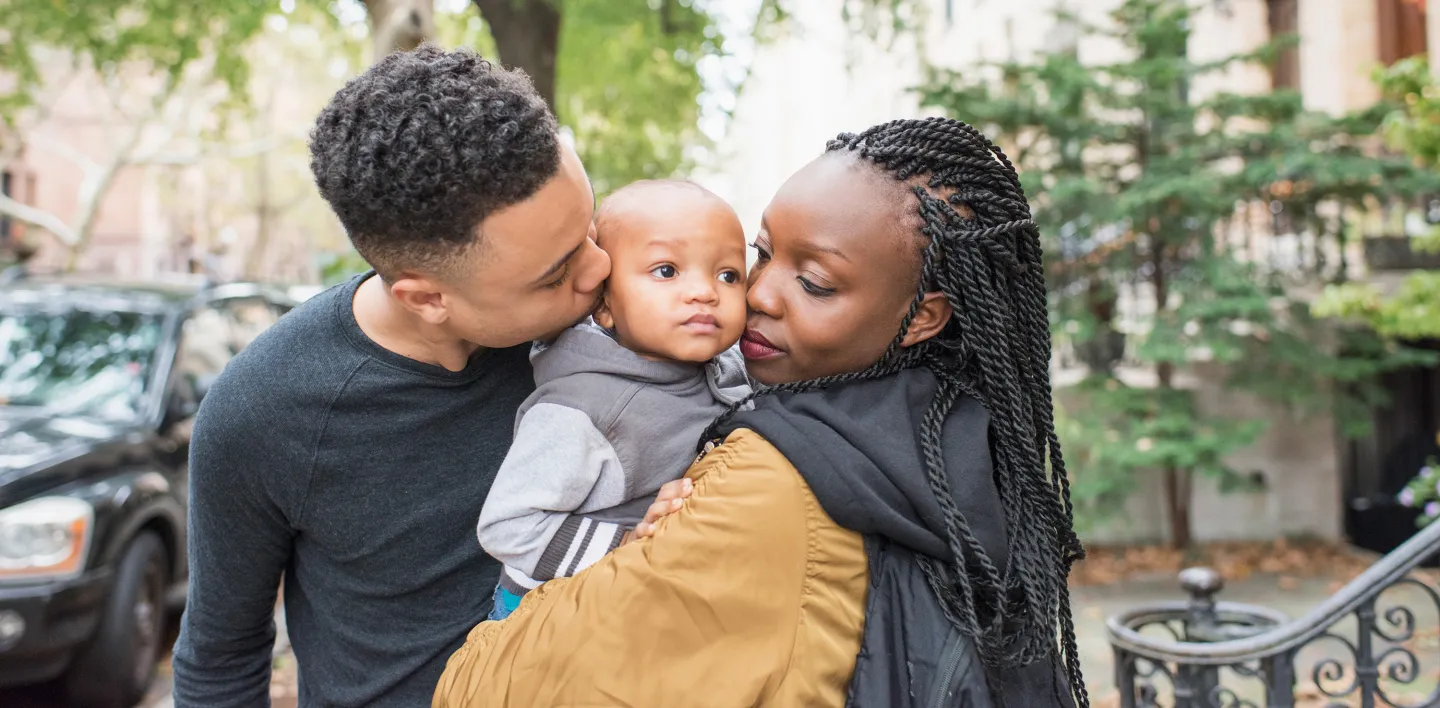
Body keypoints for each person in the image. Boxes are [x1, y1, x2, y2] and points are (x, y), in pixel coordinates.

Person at [432, 117, 1088, 708]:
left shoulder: (772, 479)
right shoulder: (960, 425)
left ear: (923, 316)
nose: (758, 296)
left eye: (815, 283)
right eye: (763, 254)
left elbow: (495, 691)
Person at [171, 45, 612, 707]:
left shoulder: (611, 324)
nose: (602, 269)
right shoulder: (261, 415)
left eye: (591, 229)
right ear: (426, 298)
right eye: (556, 273)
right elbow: (220, 659)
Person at [476, 180, 751, 620]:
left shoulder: (726, 365)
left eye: (728, 275)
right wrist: (625, 544)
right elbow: (508, 526)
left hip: (649, 596)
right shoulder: (583, 410)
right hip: (550, 613)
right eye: (666, 271)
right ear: (604, 306)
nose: (706, 292)